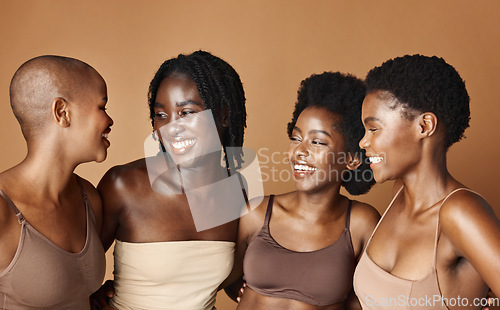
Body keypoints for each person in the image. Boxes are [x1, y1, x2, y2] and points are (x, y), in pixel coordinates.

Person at [93, 50, 247, 310]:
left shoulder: (238, 190)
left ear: (223, 115)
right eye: (161, 115)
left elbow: (220, 276)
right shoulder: (124, 185)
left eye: (186, 113)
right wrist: (93, 295)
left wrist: (251, 288)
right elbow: (75, 271)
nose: (171, 128)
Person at [353, 54, 500, 309]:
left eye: (374, 129)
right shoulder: (398, 194)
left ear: (424, 126)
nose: (363, 142)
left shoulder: (461, 212)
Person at [225, 72, 380, 309]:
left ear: (351, 159)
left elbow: (369, 299)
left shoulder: (361, 223)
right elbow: (224, 276)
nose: (299, 151)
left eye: (317, 142)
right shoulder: (255, 211)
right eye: (296, 138)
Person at [0, 55, 111, 309]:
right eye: (102, 107)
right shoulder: (3, 209)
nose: (109, 120)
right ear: (62, 112)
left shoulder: (90, 199)